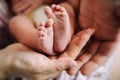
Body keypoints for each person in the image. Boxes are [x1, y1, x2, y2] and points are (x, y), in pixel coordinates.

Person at [9, 1, 76, 56]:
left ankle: (64, 39)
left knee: (66, 7)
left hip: (53, 11)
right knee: (15, 22)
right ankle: (39, 41)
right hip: (27, 17)